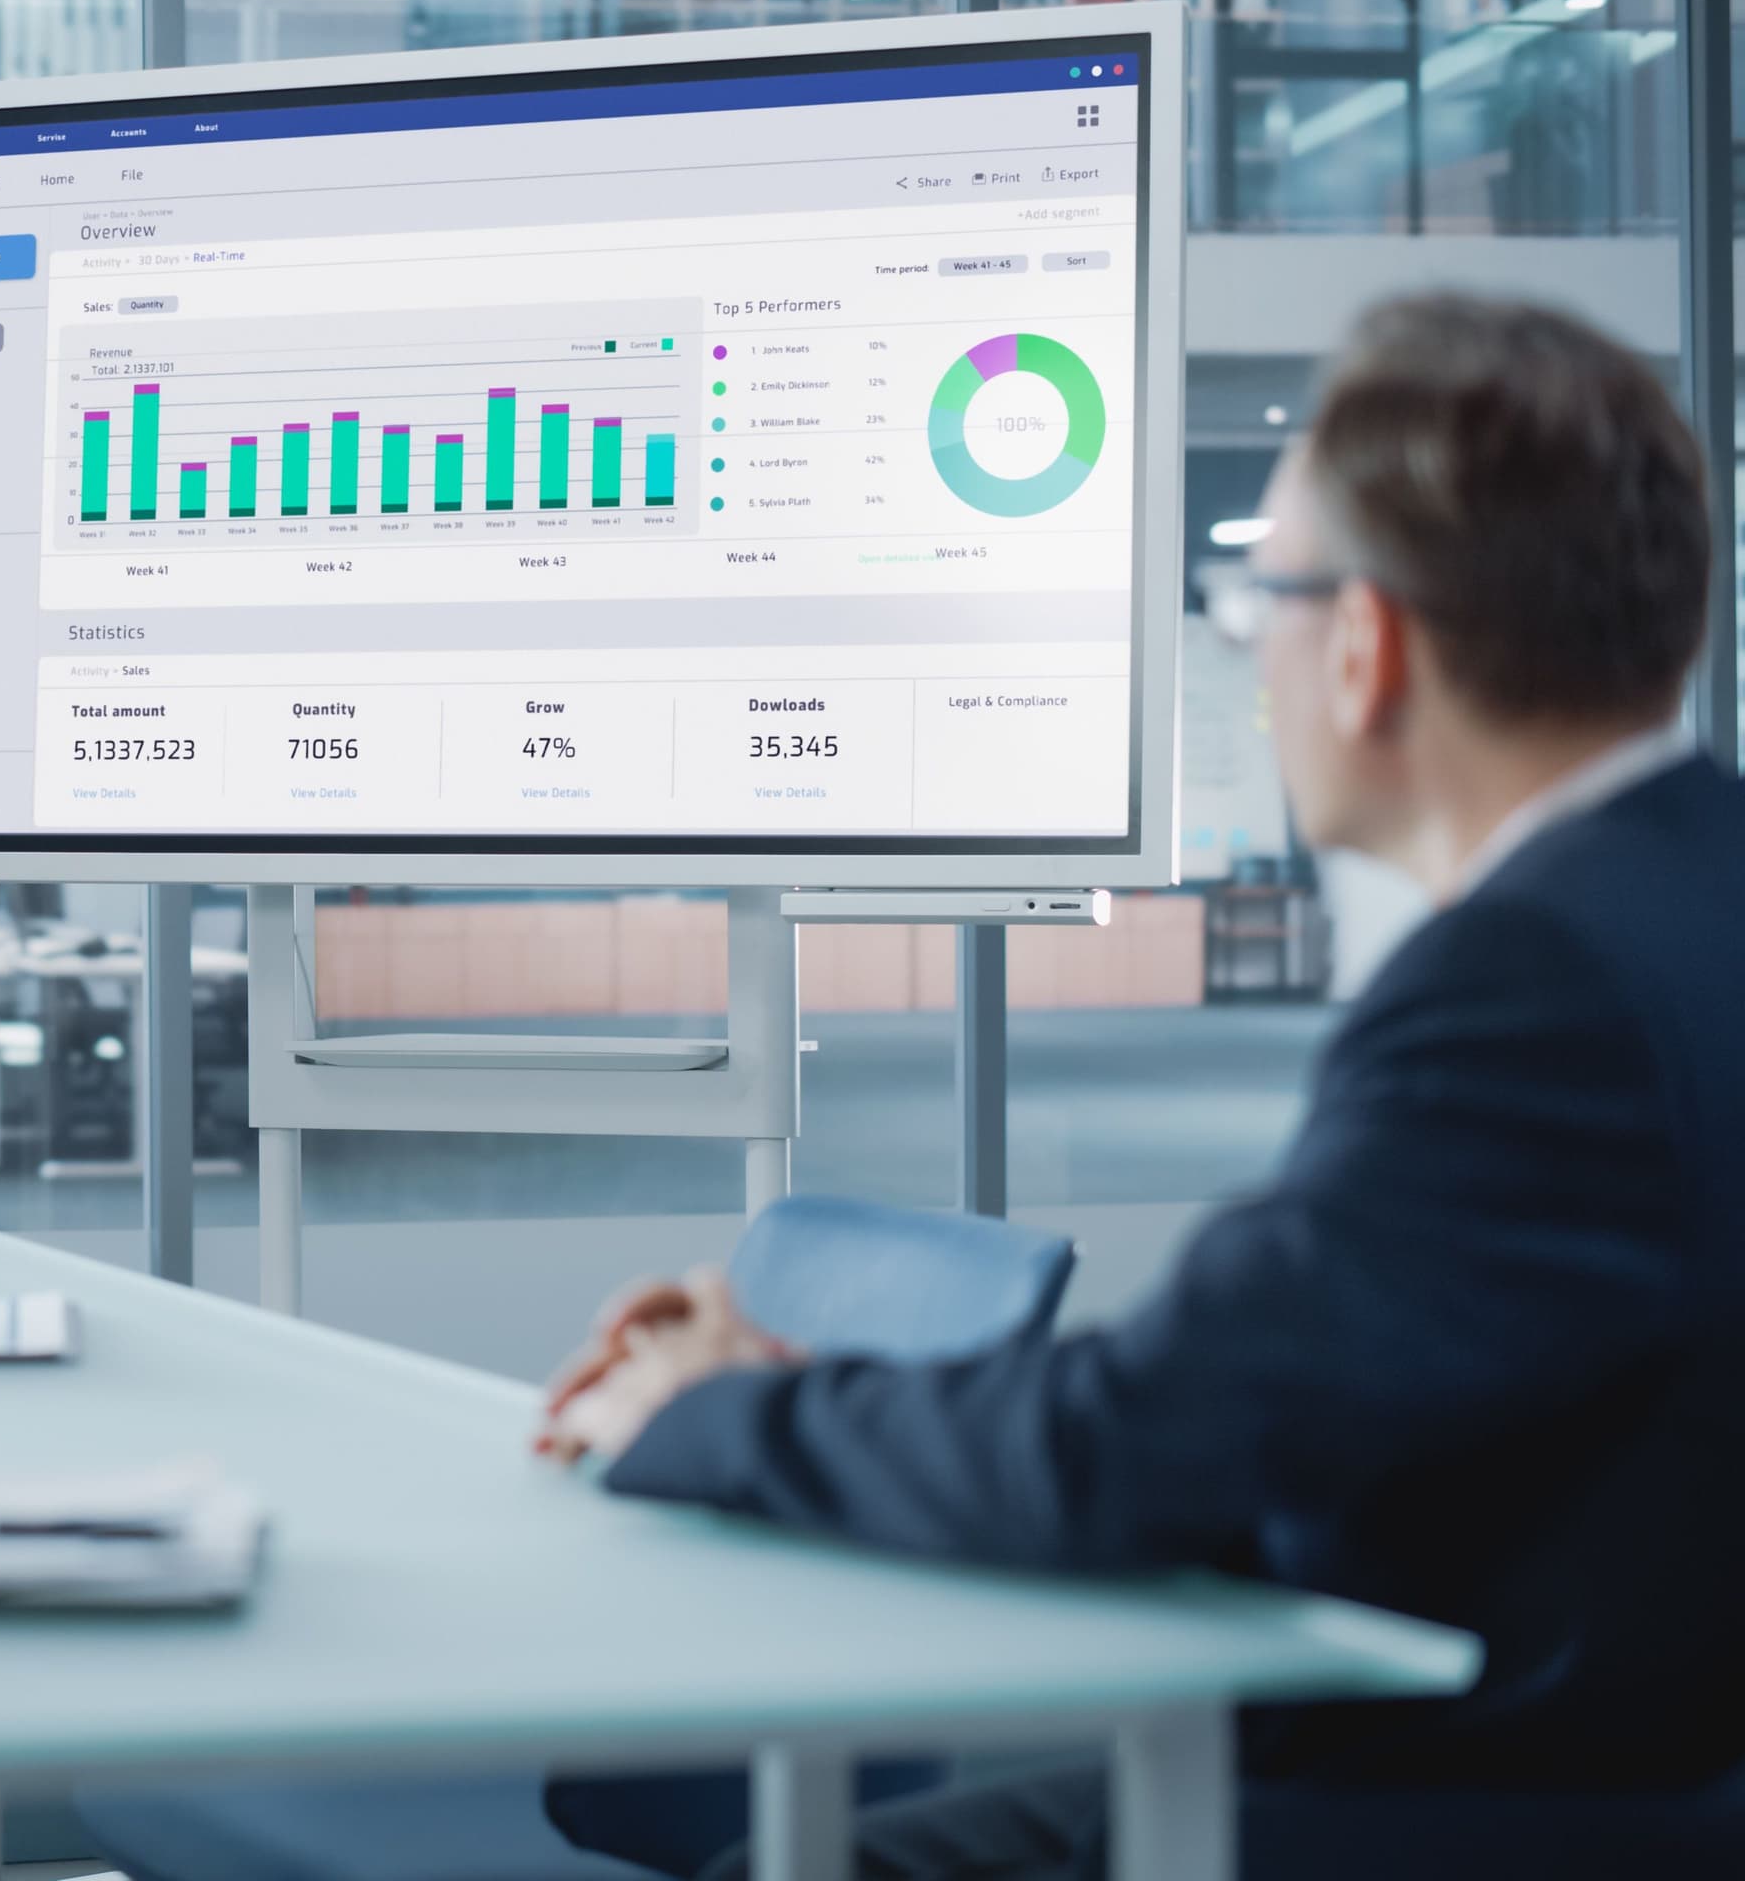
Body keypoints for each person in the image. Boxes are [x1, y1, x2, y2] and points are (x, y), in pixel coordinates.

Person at [538, 294, 1745, 1880]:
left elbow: (1148, 1449)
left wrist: (717, 1411)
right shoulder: (1692, 897)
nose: (1257, 660)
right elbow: (1296, 1391)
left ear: (1366, 647)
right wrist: (819, 1392)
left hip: (1471, 1812)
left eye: (1257, 608)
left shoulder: (1532, 987)